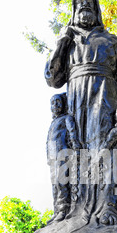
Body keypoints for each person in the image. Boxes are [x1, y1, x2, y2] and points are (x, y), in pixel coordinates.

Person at [45, 0, 117, 224]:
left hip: (106, 99)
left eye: (89, 3)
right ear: (74, 11)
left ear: (96, 10)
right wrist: (61, 42)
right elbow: (52, 79)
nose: (84, 7)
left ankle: (110, 206)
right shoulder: (67, 42)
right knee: (73, 154)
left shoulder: (113, 42)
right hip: (76, 103)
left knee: (105, 151)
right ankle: (72, 210)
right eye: (80, 4)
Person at [46, 93, 80, 222]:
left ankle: (64, 210)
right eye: (53, 103)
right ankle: (57, 210)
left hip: (64, 154)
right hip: (53, 157)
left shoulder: (67, 118)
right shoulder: (53, 122)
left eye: (58, 102)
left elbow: (73, 134)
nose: (55, 105)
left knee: (62, 183)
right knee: (55, 185)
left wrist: (76, 150)